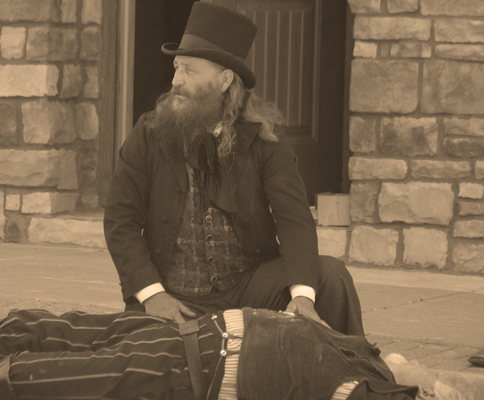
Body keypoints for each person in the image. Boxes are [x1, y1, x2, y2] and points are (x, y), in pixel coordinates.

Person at [103, 1, 363, 335]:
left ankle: (353, 362)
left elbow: (294, 218)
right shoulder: (149, 132)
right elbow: (120, 219)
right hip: (172, 294)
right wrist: (152, 295)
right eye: (177, 68)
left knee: (331, 277)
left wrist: (303, 297)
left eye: (189, 71)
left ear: (224, 80)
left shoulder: (265, 138)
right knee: (153, 357)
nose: (176, 81)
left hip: (248, 288)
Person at [0, 307, 420, 400]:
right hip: (183, 335)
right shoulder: (369, 364)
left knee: (34, 374)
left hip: (179, 373)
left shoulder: (368, 383)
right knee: (32, 328)